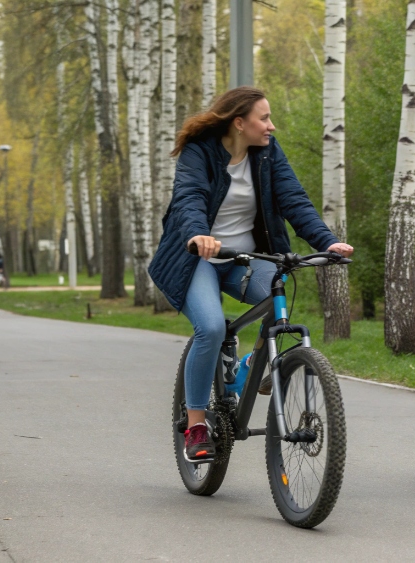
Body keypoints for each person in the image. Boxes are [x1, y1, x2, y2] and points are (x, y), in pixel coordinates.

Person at [149, 86, 353, 463]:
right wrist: (198, 235)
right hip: (199, 258)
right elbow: (189, 197)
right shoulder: (200, 152)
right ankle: (196, 426)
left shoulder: (267, 153)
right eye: (264, 118)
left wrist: (327, 242)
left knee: (277, 298)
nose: (271, 126)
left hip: (247, 256)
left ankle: (246, 367)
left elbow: (294, 199)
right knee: (210, 328)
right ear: (240, 123)